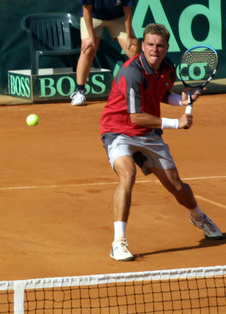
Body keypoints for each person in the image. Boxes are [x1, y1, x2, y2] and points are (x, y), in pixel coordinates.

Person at [100, 23, 222, 262]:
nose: (155, 49)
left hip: (148, 133)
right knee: (127, 175)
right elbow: (135, 116)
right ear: (142, 46)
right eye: (150, 45)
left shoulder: (167, 68)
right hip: (119, 130)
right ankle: (119, 242)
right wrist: (177, 123)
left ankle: (198, 217)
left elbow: (162, 94)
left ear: (166, 48)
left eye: (160, 45)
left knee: (176, 186)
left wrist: (181, 99)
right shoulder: (130, 72)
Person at [70, 0, 139, 106]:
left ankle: (145, 88)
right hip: (93, 17)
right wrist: (91, 37)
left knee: (133, 49)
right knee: (88, 50)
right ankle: (79, 92)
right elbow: (86, 10)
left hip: (118, 18)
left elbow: (128, 12)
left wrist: (129, 37)